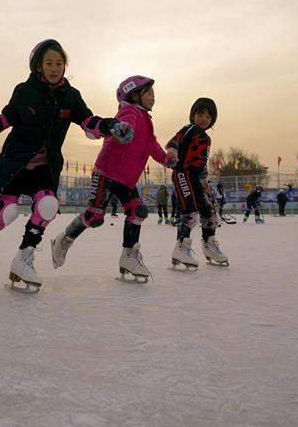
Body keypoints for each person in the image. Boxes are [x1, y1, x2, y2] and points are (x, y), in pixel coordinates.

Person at [0, 39, 131, 292]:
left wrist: (112, 126)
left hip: (45, 169)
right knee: (7, 211)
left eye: (59, 63)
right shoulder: (24, 91)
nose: (54, 67)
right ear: (38, 65)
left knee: (48, 206)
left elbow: (89, 121)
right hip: (16, 164)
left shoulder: (70, 96)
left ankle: (23, 259)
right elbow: (2, 120)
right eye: (49, 62)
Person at [51, 76, 176, 282]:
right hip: (107, 173)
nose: (153, 97)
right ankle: (63, 239)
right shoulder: (131, 111)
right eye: (149, 93)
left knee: (138, 211)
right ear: (134, 95)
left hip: (127, 180)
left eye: (154, 93)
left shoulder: (146, 120)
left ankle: (128, 256)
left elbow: (152, 146)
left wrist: (166, 159)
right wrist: (122, 128)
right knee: (94, 216)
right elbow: (126, 122)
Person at [167, 98, 228, 269]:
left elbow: (202, 163)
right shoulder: (189, 129)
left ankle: (210, 246)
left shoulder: (207, 138)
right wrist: (172, 152)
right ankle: (181, 248)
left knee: (211, 216)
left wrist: (206, 185)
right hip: (182, 173)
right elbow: (174, 141)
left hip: (196, 178)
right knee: (191, 214)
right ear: (193, 115)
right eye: (200, 114)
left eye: (208, 117)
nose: (203, 119)